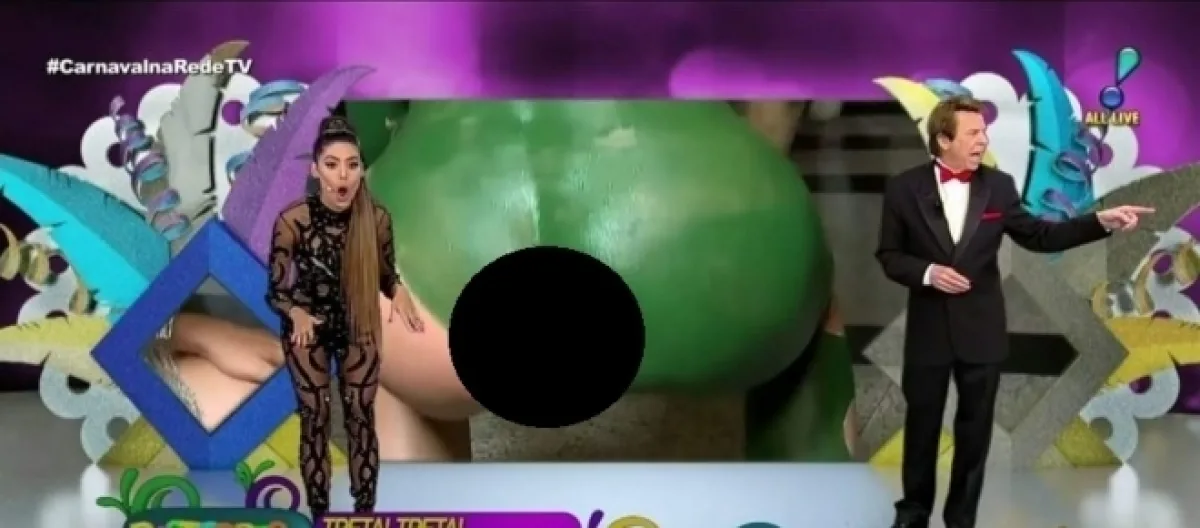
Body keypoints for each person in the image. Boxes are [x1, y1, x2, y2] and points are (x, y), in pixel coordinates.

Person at [875, 96, 1153, 528]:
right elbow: (890, 256)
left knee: (975, 433)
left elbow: (1041, 236)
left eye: (984, 132)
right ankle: (912, 514)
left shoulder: (999, 187)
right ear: (943, 139)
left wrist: (1101, 221)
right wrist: (928, 273)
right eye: (973, 133)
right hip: (928, 333)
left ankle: (961, 519)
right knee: (921, 427)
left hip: (981, 331)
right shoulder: (903, 189)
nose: (982, 140)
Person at [266, 115, 424, 517]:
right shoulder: (293, 220)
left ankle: (364, 512)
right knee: (315, 417)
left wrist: (399, 290)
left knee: (360, 416)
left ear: (361, 171)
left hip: (358, 324)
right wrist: (297, 313)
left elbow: (385, 274)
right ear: (315, 169)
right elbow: (277, 290)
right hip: (308, 327)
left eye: (352, 165)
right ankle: (319, 512)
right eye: (332, 164)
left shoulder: (377, 219)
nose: (343, 175)